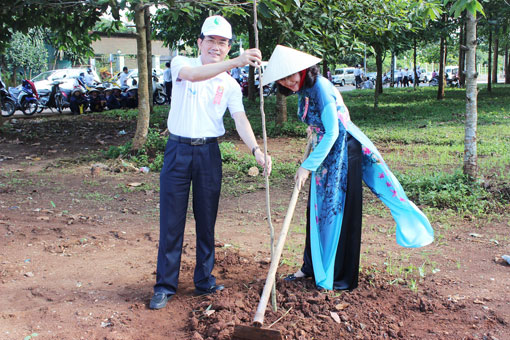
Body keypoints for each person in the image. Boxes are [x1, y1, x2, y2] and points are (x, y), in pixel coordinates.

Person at [261, 45, 434, 291]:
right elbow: (321, 124)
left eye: (292, 75)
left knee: (337, 211)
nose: (288, 82)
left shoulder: (320, 86)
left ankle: (337, 277)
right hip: (325, 155)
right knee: (319, 212)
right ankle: (311, 267)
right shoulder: (304, 89)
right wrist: (313, 131)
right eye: (283, 79)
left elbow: (334, 131)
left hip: (344, 152)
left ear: (304, 70)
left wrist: (306, 167)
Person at [149, 15, 272, 310]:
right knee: (171, 221)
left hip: (208, 154)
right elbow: (192, 76)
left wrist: (256, 148)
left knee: (207, 220)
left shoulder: (229, 85)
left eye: (222, 42)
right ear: (200, 42)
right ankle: (165, 285)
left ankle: (204, 280)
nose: (216, 47)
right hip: (177, 150)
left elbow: (239, 117)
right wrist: (237, 61)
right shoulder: (181, 64)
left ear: (228, 46)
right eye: (211, 40)